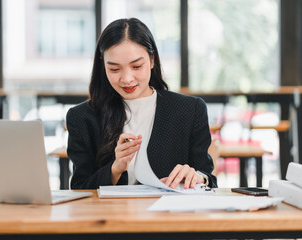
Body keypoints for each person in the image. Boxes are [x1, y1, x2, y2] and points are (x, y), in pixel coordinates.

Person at [66, 18, 217, 190]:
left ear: (152, 60)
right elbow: (80, 188)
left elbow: (208, 178)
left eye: (136, 66)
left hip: (168, 214)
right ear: (102, 66)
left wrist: (198, 177)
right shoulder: (82, 117)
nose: (127, 79)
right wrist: (115, 170)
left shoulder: (190, 110)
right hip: (109, 215)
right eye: (114, 69)